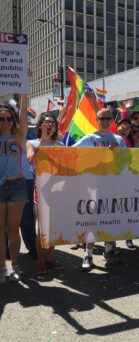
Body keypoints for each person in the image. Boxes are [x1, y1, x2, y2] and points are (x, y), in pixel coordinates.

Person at [74, 106, 126, 271]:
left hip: (114, 186)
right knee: (92, 221)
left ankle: (109, 251)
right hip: (94, 187)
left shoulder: (118, 140)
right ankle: (88, 255)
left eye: (107, 118)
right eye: (101, 118)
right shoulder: (89, 138)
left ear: (112, 121)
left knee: (111, 220)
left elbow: (126, 161)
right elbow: (70, 153)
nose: (104, 121)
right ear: (97, 121)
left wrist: (116, 155)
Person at [27, 114, 65, 274]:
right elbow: (32, 161)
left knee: (54, 226)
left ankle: (50, 257)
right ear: (40, 125)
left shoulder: (60, 145)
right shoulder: (32, 143)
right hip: (41, 189)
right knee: (41, 226)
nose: (49, 125)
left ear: (56, 127)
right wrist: (42, 141)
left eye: (52, 123)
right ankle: (40, 260)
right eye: (46, 122)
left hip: (58, 190)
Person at [0, 94, 29, 284]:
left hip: (17, 185)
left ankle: (15, 266)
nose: (5, 122)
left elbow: (25, 118)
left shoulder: (18, 137)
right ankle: (2, 268)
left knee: (13, 229)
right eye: (1, 119)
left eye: (9, 118)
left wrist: (25, 93)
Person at [125, 124, 139, 248]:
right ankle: (129, 238)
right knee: (130, 211)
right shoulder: (127, 150)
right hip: (130, 184)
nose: (137, 134)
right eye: (134, 132)